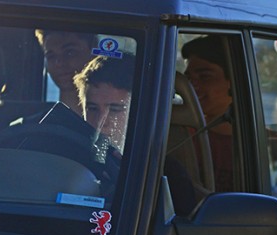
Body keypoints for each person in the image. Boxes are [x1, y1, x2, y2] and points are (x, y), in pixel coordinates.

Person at [74, 53, 196, 215]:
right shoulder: (69, 159)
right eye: (92, 109)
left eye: (116, 110)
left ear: (140, 112)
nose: (101, 123)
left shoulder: (164, 174)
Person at [181, 36, 236, 192]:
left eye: (204, 77)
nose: (192, 86)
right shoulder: (179, 139)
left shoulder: (271, 145)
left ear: (232, 80)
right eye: (187, 78)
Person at [36, 30, 96, 116]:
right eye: (51, 56)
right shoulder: (40, 122)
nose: (59, 63)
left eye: (70, 52)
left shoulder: (106, 121)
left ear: (92, 54)